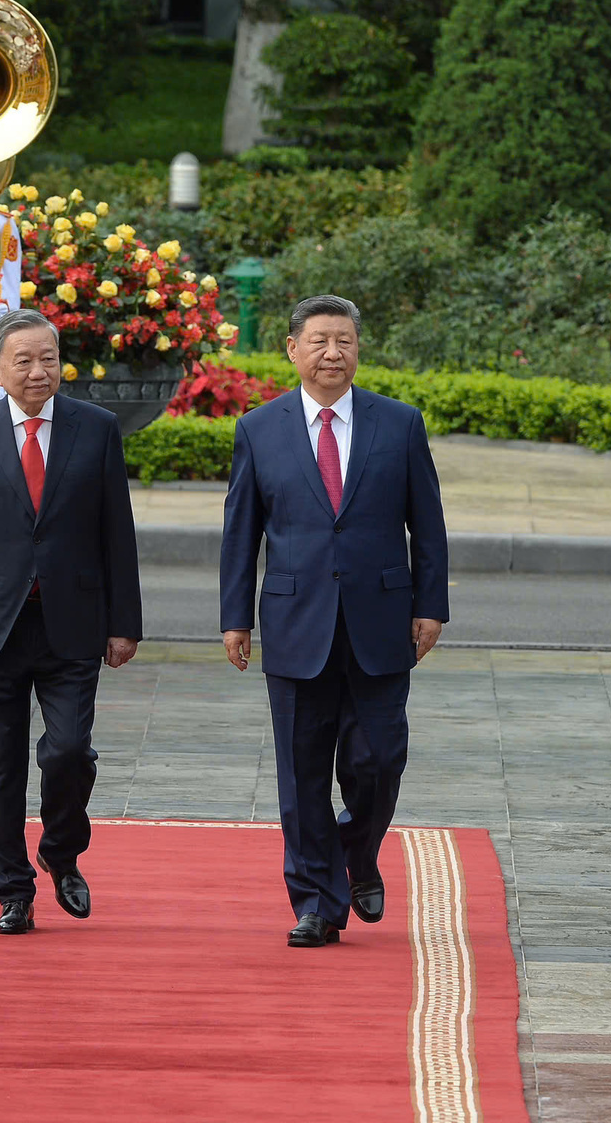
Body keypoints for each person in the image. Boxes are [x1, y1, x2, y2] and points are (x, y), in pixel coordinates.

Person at [218, 294, 449, 947]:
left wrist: (431, 605)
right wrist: (236, 616)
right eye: (319, 341)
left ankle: (359, 854)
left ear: (358, 349)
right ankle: (317, 902)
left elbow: (426, 524)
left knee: (379, 760)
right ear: (292, 349)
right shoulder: (259, 430)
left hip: (381, 619)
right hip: (295, 621)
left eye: (344, 341)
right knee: (301, 771)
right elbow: (241, 533)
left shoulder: (398, 424)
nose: (332, 353)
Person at [0, 309, 142, 935]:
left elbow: (116, 533)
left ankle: (62, 850)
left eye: (48, 358)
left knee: (69, 750)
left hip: (74, 619)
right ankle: (12, 890)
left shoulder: (95, 430)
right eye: (22, 360)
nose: (38, 370)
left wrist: (124, 622)